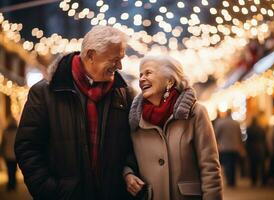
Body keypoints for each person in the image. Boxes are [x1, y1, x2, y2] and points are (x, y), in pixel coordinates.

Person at [15, 25, 134, 200]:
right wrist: (49, 192)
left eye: (121, 59)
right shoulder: (44, 92)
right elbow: (27, 147)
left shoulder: (125, 94)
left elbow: (134, 145)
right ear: (91, 55)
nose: (120, 66)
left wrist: (128, 172)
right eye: (114, 59)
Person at [124, 56, 223, 200]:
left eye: (148, 73)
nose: (141, 79)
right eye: (140, 75)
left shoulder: (195, 113)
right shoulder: (135, 119)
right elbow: (126, 158)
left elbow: (210, 169)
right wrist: (128, 174)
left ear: (169, 81)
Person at [214, 110, 245, 187]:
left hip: (224, 147)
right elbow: (240, 136)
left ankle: (229, 181)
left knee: (227, 164)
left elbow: (216, 135)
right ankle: (233, 181)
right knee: (233, 165)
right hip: (235, 147)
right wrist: (241, 147)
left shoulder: (220, 123)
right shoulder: (236, 123)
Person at [246, 116, 268, 186]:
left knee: (253, 165)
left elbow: (248, 140)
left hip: (252, 148)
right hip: (260, 148)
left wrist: (247, 149)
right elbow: (264, 139)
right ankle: (263, 181)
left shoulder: (249, 128)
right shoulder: (261, 128)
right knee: (262, 165)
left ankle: (254, 181)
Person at [1, 116, 18, 191]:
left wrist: (2, 152)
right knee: (14, 170)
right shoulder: (17, 131)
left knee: (9, 170)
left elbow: (3, 144)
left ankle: (10, 184)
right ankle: (13, 184)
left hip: (7, 154)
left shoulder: (5, 131)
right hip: (15, 154)